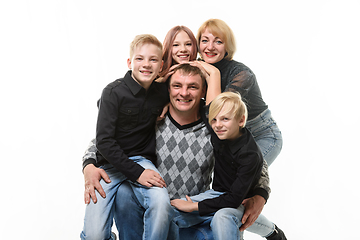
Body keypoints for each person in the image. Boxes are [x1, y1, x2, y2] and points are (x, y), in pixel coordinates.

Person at [82, 64, 271, 240]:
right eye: (177, 86)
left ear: (203, 90)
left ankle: (272, 232)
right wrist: (88, 164)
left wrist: (261, 194)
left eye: (193, 87)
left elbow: (254, 159)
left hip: (193, 215)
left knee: (225, 219)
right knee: (124, 191)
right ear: (168, 89)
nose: (184, 93)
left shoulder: (215, 127)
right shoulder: (153, 120)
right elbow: (104, 140)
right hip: (151, 216)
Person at [80, 34, 173, 240]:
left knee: (161, 204)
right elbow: (103, 141)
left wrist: (167, 103)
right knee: (95, 235)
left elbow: (187, 81)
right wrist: (137, 173)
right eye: (140, 59)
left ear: (161, 66)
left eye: (153, 59)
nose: (146, 64)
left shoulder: (163, 92)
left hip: (143, 160)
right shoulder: (112, 93)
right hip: (108, 166)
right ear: (130, 62)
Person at [171, 92, 287, 240]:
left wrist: (194, 207)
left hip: (240, 200)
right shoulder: (218, 130)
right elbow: (198, 106)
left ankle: (273, 232)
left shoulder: (250, 155)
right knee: (173, 212)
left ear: (241, 120)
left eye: (225, 119)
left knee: (222, 217)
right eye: (214, 120)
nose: (218, 124)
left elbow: (233, 199)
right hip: (218, 193)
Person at [197, 19, 283, 167]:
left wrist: (214, 73)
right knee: (230, 183)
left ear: (227, 46)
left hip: (261, 134)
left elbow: (218, 113)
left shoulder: (242, 74)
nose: (210, 47)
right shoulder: (199, 68)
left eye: (218, 42)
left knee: (247, 177)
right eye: (205, 40)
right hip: (231, 136)